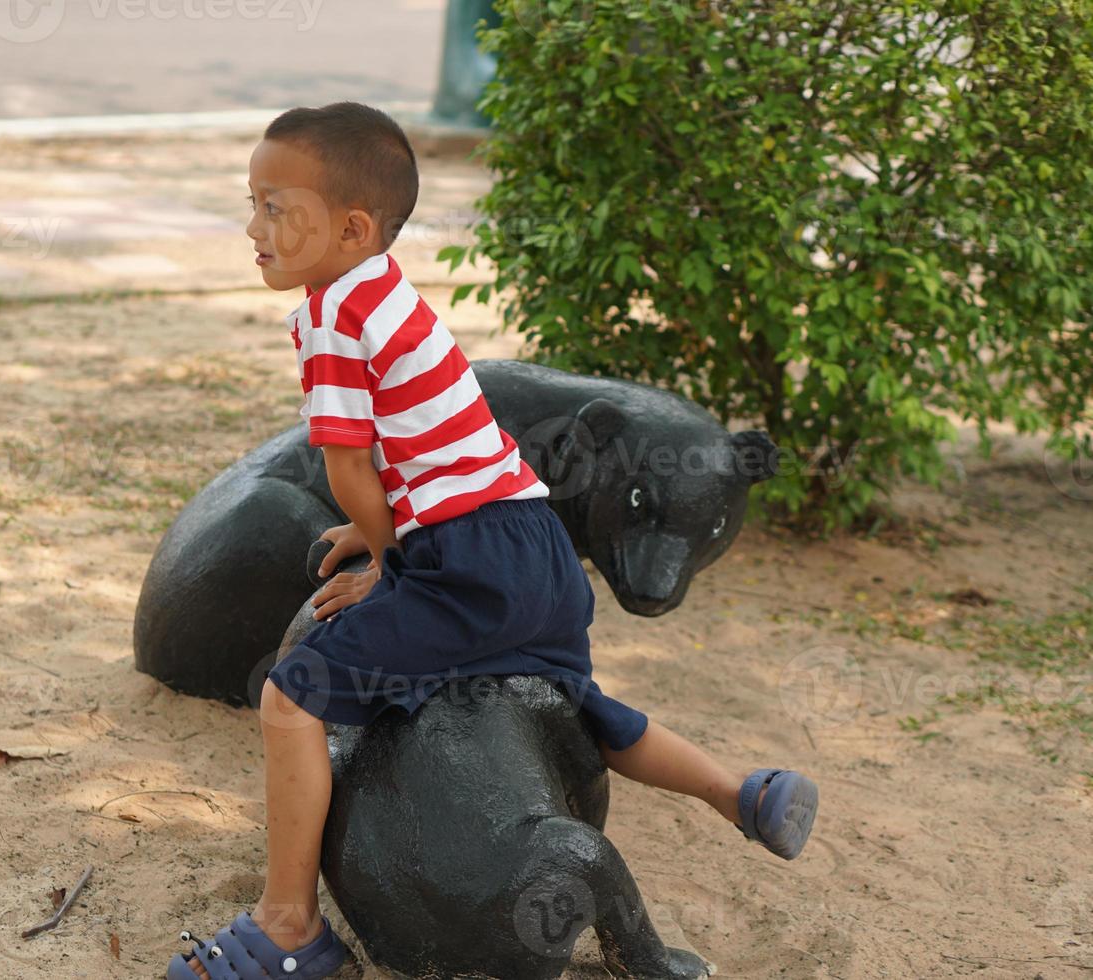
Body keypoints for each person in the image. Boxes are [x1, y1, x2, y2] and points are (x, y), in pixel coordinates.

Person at [168, 102, 819, 980]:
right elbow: (434, 451)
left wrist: (390, 563)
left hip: (463, 561)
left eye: (276, 207)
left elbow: (353, 472)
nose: (254, 227)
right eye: (252, 203)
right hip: (534, 545)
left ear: (352, 226)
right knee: (579, 702)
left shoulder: (330, 319)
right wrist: (383, 528)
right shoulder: (389, 290)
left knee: (292, 703)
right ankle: (742, 793)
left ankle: (288, 924)